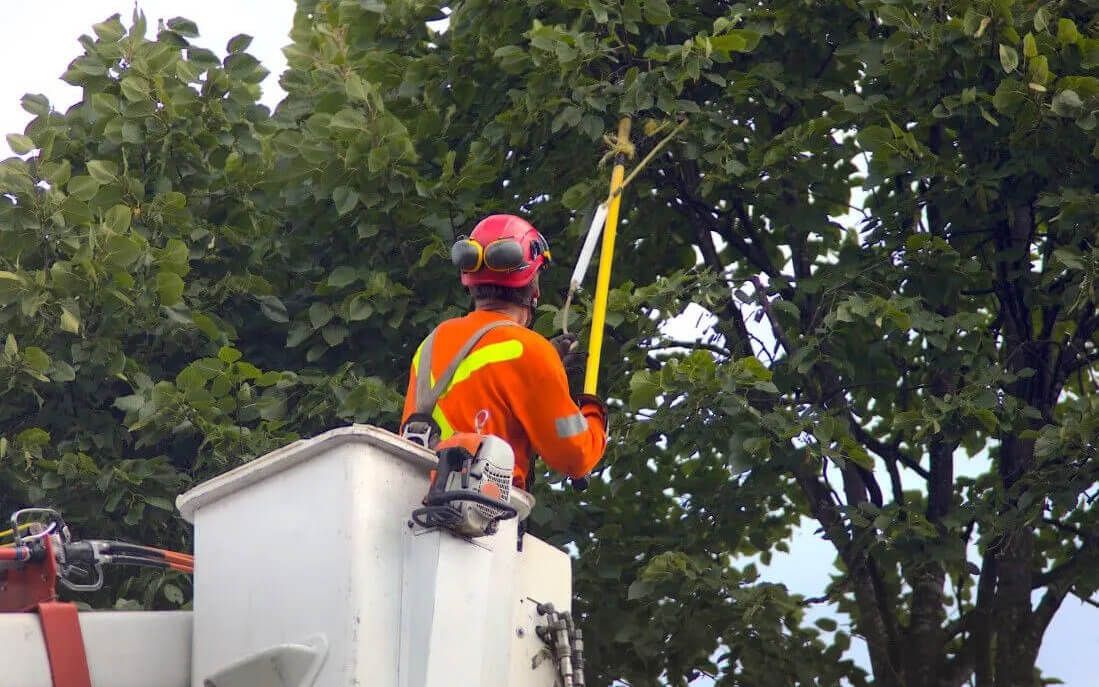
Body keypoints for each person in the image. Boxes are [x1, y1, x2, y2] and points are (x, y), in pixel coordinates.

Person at [400, 214, 607, 489]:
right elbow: (575, 456)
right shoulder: (530, 352)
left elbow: (480, 384)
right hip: (482, 517)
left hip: (412, 504)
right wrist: (593, 413)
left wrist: (546, 363)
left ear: (470, 280)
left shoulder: (431, 343)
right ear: (533, 285)